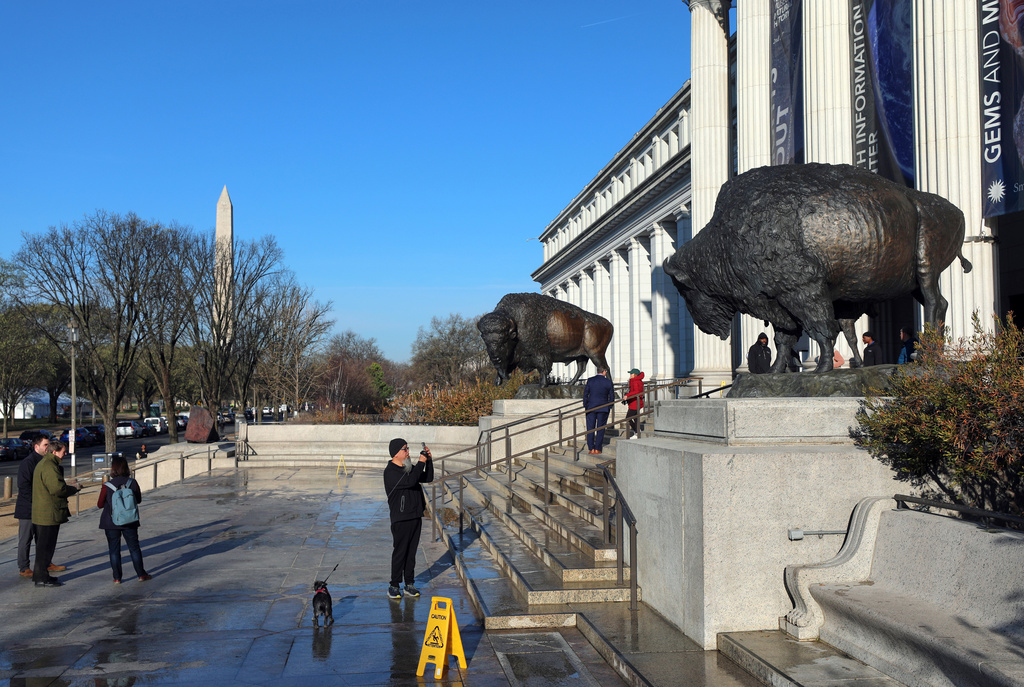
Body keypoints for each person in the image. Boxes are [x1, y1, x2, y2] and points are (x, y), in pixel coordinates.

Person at [383, 438, 433, 600]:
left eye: (408, 448)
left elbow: (427, 478)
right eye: (405, 449)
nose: (408, 452)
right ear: (396, 453)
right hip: (401, 518)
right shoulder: (390, 471)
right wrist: (420, 462)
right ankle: (394, 585)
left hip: (415, 515)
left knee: (411, 553)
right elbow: (410, 481)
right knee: (400, 552)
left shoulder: (409, 468)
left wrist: (428, 461)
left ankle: (409, 583)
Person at [15, 435, 66, 579]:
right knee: (25, 539)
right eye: (45, 445)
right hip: (28, 508)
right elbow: (23, 487)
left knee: (43, 538)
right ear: (36, 447)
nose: (48, 447)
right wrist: (37, 502)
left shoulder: (48, 462)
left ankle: (45, 563)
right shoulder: (28, 463)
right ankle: (24, 567)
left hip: (42, 508)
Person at [31, 440, 79, 587]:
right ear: (54, 452)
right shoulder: (49, 466)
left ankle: (42, 575)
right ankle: (41, 578)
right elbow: (57, 489)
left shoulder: (46, 464)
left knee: (44, 547)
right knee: (45, 548)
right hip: (48, 514)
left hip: (45, 513)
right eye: (63, 451)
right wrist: (74, 488)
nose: (65, 454)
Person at [98, 455, 151, 583]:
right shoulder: (132, 482)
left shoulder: (107, 486)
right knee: (134, 548)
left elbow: (100, 504)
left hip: (111, 522)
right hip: (130, 520)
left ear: (113, 469)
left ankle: (117, 577)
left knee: (114, 550)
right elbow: (138, 500)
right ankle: (141, 574)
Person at [582, 368, 615, 455]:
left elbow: (585, 394)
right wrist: (609, 406)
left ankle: (591, 448)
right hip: (603, 408)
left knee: (590, 428)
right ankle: (598, 449)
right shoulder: (608, 382)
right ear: (604, 371)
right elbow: (612, 396)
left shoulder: (590, 380)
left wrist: (586, 405)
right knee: (600, 428)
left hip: (591, 407)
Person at [623, 368, 645, 440]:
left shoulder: (635, 381)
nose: (630, 375)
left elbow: (636, 391)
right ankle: (637, 431)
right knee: (635, 418)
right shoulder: (636, 381)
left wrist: (627, 395)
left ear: (635, 374)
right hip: (634, 402)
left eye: (631, 374)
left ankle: (637, 431)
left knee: (628, 418)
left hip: (635, 403)